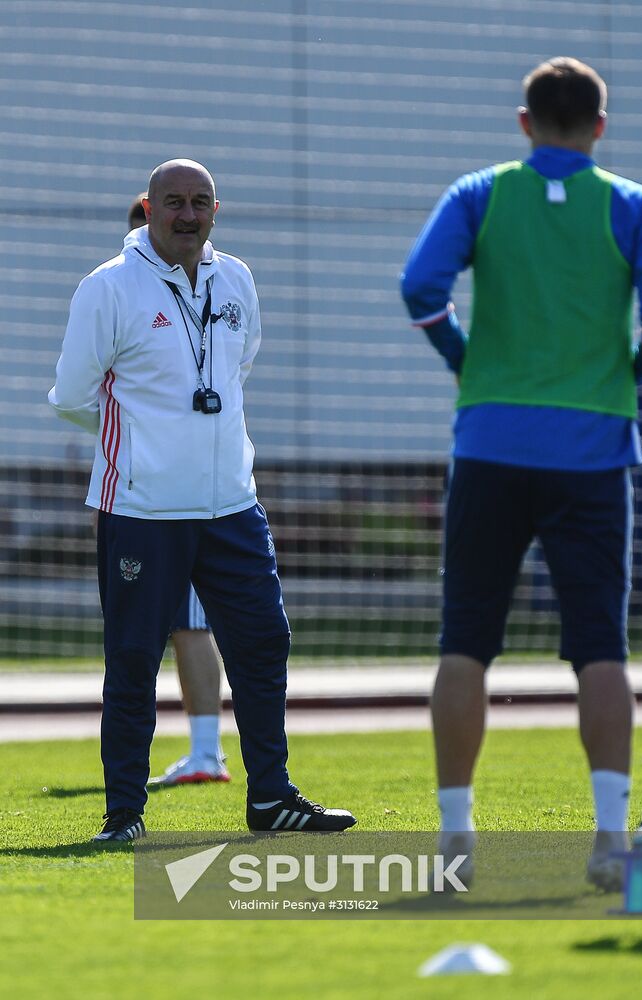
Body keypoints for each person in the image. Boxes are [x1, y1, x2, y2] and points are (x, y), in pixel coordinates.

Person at [401, 57, 642, 891]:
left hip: (489, 441)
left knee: (464, 644)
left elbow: (420, 289)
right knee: (600, 651)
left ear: (523, 123)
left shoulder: (480, 192)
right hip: (592, 450)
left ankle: (455, 840)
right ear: (598, 125)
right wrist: (624, 370)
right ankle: (606, 841)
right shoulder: (632, 207)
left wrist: (465, 360)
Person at [49, 158, 356, 841]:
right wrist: (146, 442)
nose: (188, 214)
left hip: (232, 508)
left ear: (216, 209)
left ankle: (270, 799)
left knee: (263, 645)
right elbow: (71, 396)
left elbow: (236, 369)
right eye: (174, 202)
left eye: (200, 201)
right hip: (142, 510)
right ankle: (124, 814)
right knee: (133, 659)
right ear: (149, 209)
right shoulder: (108, 288)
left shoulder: (236, 278)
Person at [126, 193, 229, 787]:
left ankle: (208, 750)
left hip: (184, 495)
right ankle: (197, 749)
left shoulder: (217, 286)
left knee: (190, 624)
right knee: (168, 625)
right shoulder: (124, 292)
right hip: (145, 492)